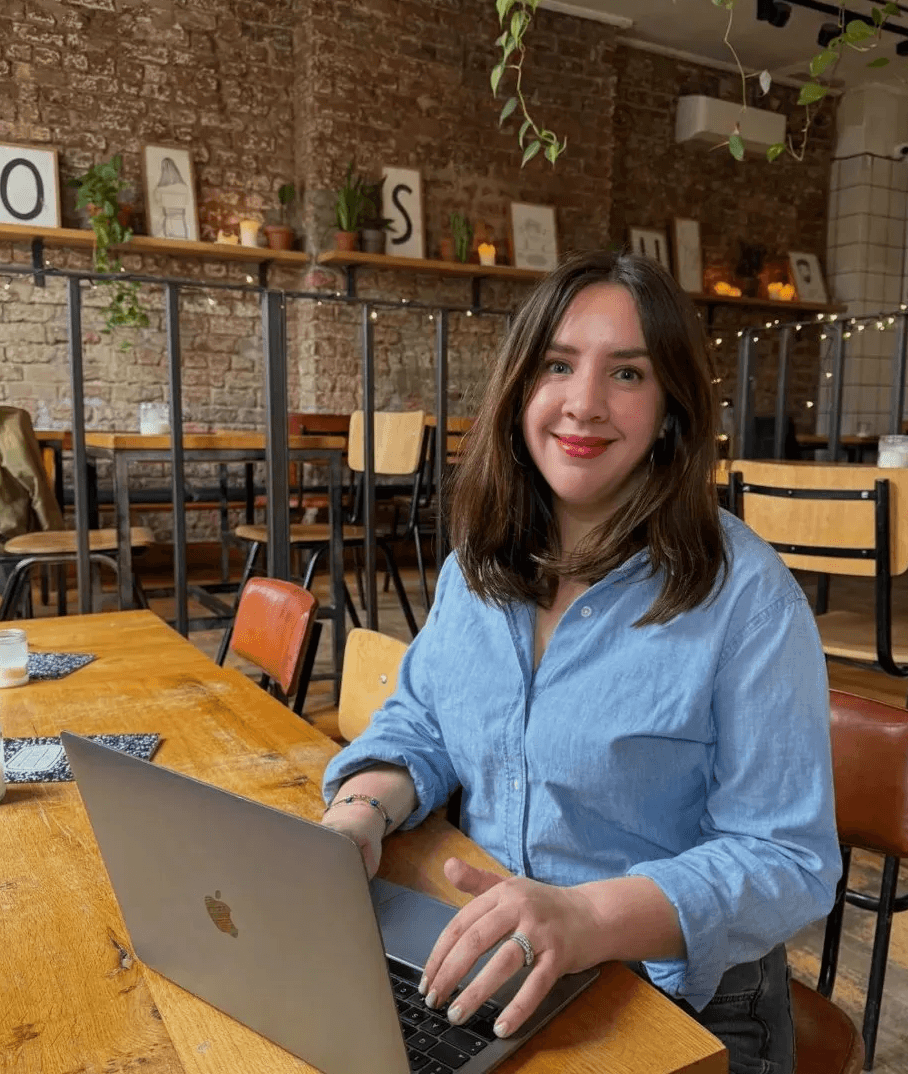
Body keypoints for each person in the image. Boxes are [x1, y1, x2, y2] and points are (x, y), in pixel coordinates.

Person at [321, 250, 840, 1074]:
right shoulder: (478, 563)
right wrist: (361, 815)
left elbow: (789, 858)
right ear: (522, 387)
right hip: (497, 955)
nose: (584, 403)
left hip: (682, 1004)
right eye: (559, 364)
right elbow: (422, 719)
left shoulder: (747, 595)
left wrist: (587, 916)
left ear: (670, 406)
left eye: (627, 373)